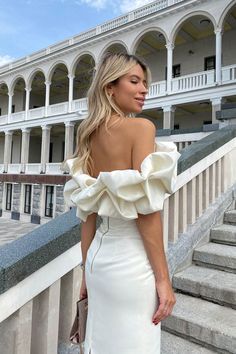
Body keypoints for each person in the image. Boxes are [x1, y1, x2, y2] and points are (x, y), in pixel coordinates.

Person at [63, 52, 180, 354]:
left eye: (145, 82)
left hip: (99, 264)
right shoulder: (141, 128)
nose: (144, 89)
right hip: (131, 264)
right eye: (134, 81)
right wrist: (164, 280)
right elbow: (146, 212)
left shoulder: (87, 137)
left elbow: (86, 216)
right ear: (109, 88)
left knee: (102, 343)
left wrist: (86, 274)